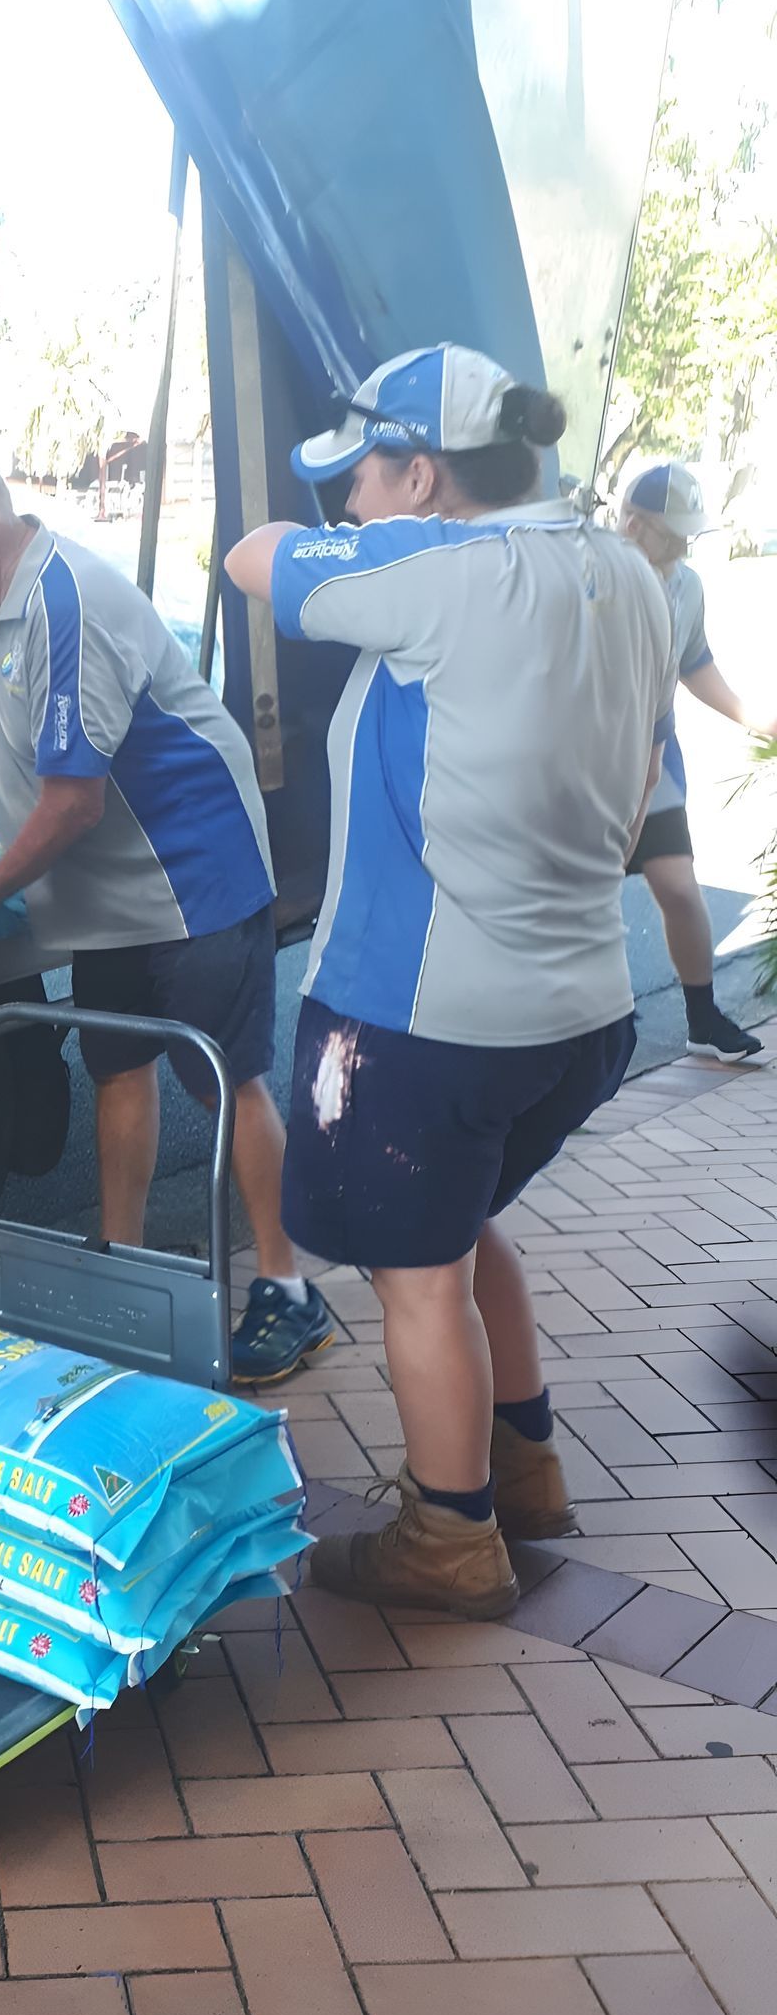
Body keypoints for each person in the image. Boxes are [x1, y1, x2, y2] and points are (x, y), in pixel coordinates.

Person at [226, 344, 679, 1618]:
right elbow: (646, 784)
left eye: (363, 479)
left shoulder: (444, 569)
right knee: (464, 1225)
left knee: (414, 1278)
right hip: (582, 1006)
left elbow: (254, 557)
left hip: (422, 1020)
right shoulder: (626, 574)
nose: (349, 506)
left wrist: (370, 541)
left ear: (424, 474)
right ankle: (526, 1465)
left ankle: (450, 1532)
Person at [0, 441, 334, 1388]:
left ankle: (289, 1291)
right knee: (117, 1064)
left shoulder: (66, 604)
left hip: (192, 874)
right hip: (106, 889)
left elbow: (72, 801)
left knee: (222, 1080)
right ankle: (117, 1265)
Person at [620, 461, 772, 1062]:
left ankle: (703, 1018)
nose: (684, 545)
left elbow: (694, 662)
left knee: (681, 890)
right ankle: (567, 1040)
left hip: (653, 768)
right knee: (581, 905)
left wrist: (756, 718)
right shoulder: (585, 575)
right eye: (671, 532)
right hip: (581, 773)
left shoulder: (687, 585)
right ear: (632, 524)